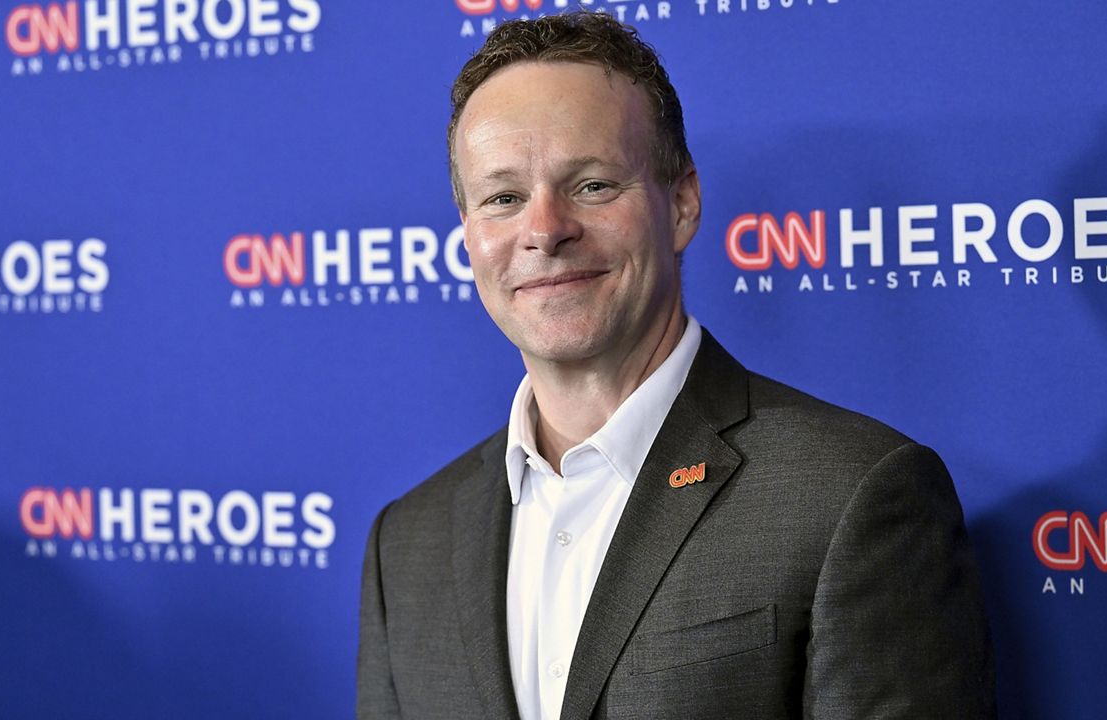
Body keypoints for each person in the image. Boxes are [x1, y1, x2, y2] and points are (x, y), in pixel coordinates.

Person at [357, 12, 995, 720]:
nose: (543, 230)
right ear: (470, 235)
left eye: (592, 185)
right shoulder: (405, 545)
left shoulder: (853, 496)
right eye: (503, 198)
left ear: (683, 203)